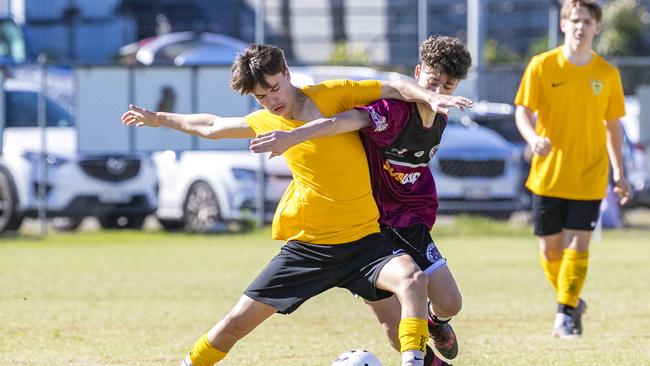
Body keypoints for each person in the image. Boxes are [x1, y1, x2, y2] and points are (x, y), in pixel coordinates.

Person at [121, 43, 472, 366]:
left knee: (411, 281)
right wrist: (159, 119)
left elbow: (395, 88)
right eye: (260, 96)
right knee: (234, 325)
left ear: (287, 74)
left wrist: (430, 95)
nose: (271, 100)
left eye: (274, 88)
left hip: (366, 241)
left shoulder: (333, 94)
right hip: (311, 247)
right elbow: (211, 125)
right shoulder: (264, 121)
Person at [249, 36, 471, 363]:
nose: (437, 93)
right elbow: (344, 122)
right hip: (368, 225)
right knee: (393, 323)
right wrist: (294, 136)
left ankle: (434, 322)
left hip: (409, 222)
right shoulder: (392, 111)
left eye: (447, 87)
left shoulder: (440, 116)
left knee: (451, 303)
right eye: (432, 83)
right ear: (418, 72)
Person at [513, 0, 630, 338]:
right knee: (549, 251)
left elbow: (613, 127)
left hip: (590, 175)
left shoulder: (607, 74)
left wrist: (619, 172)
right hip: (548, 174)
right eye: (575, 19)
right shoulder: (542, 66)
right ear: (564, 24)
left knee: (579, 245)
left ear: (598, 27)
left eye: (588, 21)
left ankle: (564, 314)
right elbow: (522, 111)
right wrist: (533, 137)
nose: (581, 26)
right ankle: (573, 300)